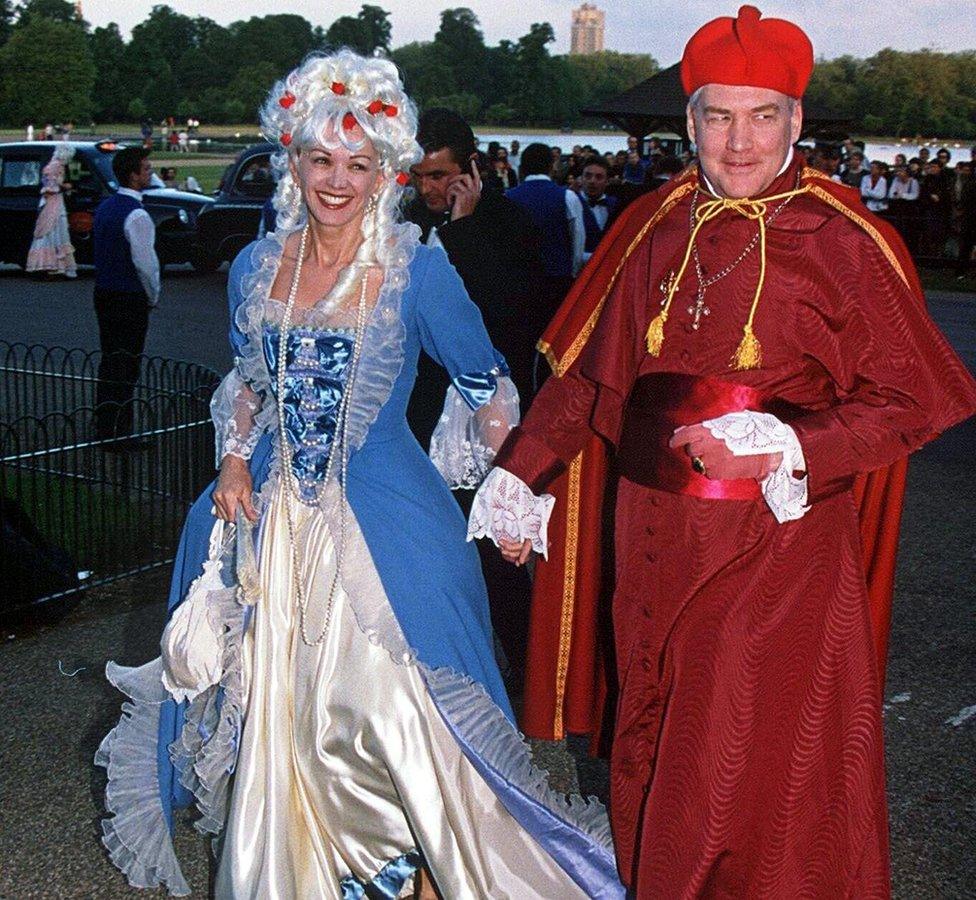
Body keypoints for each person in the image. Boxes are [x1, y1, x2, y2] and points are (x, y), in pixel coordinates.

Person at [468, 6, 976, 897]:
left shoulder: (846, 242)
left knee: (735, 768)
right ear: (690, 120)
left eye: (762, 115)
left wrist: (788, 442)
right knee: (649, 751)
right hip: (650, 546)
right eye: (717, 116)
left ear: (796, 122)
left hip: (772, 557)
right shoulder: (655, 227)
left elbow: (921, 398)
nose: (738, 141)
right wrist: (520, 477)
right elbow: (592, 381)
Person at [95, 50, 621, 899]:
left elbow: (487, 383)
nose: (336, 180)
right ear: (291, 160)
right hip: (271, 522)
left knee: (389, 715)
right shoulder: (257, 267)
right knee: (285, 717)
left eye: (358, 163)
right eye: (320, 159)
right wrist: (233, 456)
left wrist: (508, 489)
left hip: (385, 519)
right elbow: (248, 385)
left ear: (387, 172)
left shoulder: (419, 267)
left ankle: (406, 867)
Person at [91, 146, 160, 446]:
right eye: (145, 169)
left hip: (104, 290)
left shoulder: (106, 207)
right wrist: (153, 295)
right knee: (127, 364)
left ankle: (105, 424)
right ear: (133, 176)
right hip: (127, 296)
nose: (149, 173)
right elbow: (146, 264)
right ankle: (120, 430)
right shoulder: (137, 215)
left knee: (110, 360)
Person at [507, 141, 585, 335]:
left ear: (523, 168)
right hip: (557, 281)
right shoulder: (567, 197)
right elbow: (578, 242)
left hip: (518, 282)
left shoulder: (507, 197)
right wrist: (572, 274)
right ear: (552, 166)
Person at [25, 143, 77, 278]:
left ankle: (51, 264)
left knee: (52, 231)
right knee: (53, 230)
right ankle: (53, 264)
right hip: (54, 202)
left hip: (53, 201)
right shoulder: (56, 166)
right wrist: (67, 186)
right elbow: (51, 187)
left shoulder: (53, 165)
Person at [577, 155, 619, 263]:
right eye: (588, 176)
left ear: (607, 181)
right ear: (581, 178)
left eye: (599, 177)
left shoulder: (616, 206)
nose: (592, 181)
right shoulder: (571, 203)